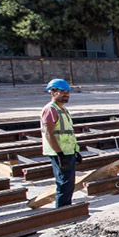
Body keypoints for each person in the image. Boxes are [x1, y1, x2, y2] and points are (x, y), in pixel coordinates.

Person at [41, 79, 80, 208]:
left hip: (68, 151)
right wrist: (59, 154)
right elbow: (49, 134)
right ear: (52, 92)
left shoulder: (63, 110)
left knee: (69, 183)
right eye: (62, 92)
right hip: (60, 152)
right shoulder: (50, 109)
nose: (66, 94)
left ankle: (66, 208)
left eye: (67, 92)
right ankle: (62, 211)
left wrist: (76, 150)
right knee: (64, 183)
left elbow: (68, 133)